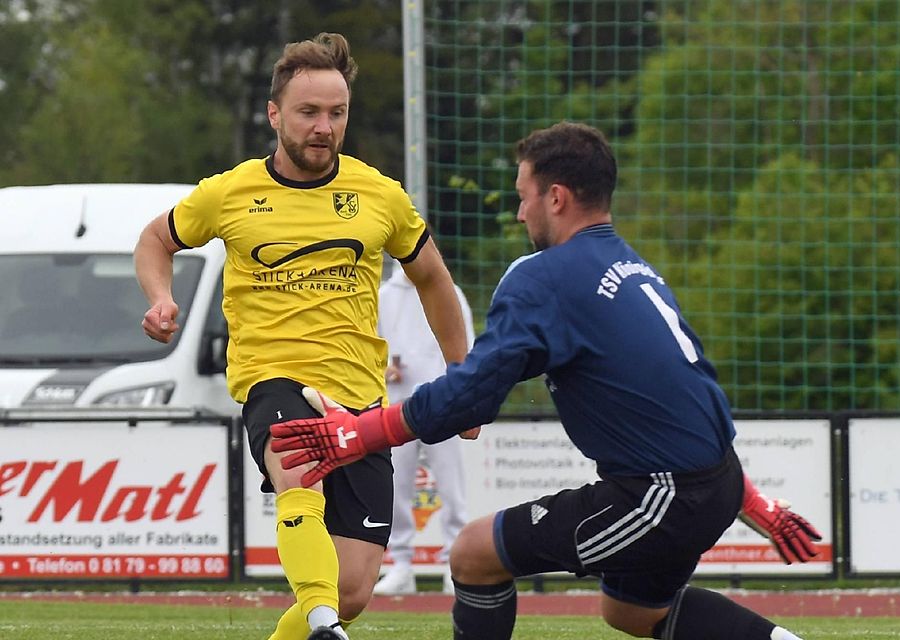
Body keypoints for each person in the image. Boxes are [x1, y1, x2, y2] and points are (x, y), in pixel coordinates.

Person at [271, 121, 822, 640]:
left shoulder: (545, 278)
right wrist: (749, 500)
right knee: (632, 611)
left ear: (555, 198)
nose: (518, 213)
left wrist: (359, 433)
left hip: (661, 494)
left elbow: (468, 395)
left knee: (471, 553)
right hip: (713, 477)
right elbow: (688, 389)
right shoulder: (633, 267)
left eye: (523, 195)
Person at [133, 33, 468, 640]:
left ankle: (320, 618)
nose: (323, 127)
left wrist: (462, 376)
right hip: (274, 377)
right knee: (298, 470)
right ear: (274, 114)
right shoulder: (230, 193)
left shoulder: (380, 195)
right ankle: (320, 623)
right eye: (308, 112)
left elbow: (434, 282)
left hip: (360, 399)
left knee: (355, 589)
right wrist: (161, 298)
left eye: (336, 113)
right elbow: (155, 240)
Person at [374, 262, 474, 595]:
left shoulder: (451, 293)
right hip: (397, 406)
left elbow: (468, 348)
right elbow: (369, 345)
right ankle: (401, 565)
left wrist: (464, 398)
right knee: (396, 486)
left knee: (451, 487)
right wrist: (383, 368)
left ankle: (454, 563)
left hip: (443, 405)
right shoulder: (384, 296)